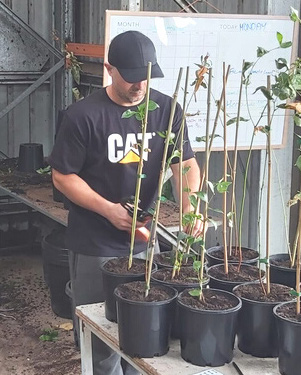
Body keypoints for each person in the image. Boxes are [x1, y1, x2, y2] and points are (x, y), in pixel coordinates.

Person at [49, 30, 202, 375]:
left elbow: (185, 165)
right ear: (109, 69)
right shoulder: (83, 115)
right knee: (101, 338)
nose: (139, 87)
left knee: (145, 333)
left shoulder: (166, 109)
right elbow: (62, 176)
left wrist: (190, 209)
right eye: (132, 78)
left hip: (146, 242)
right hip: (95, 242)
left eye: (146, 78)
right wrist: (107, 209)